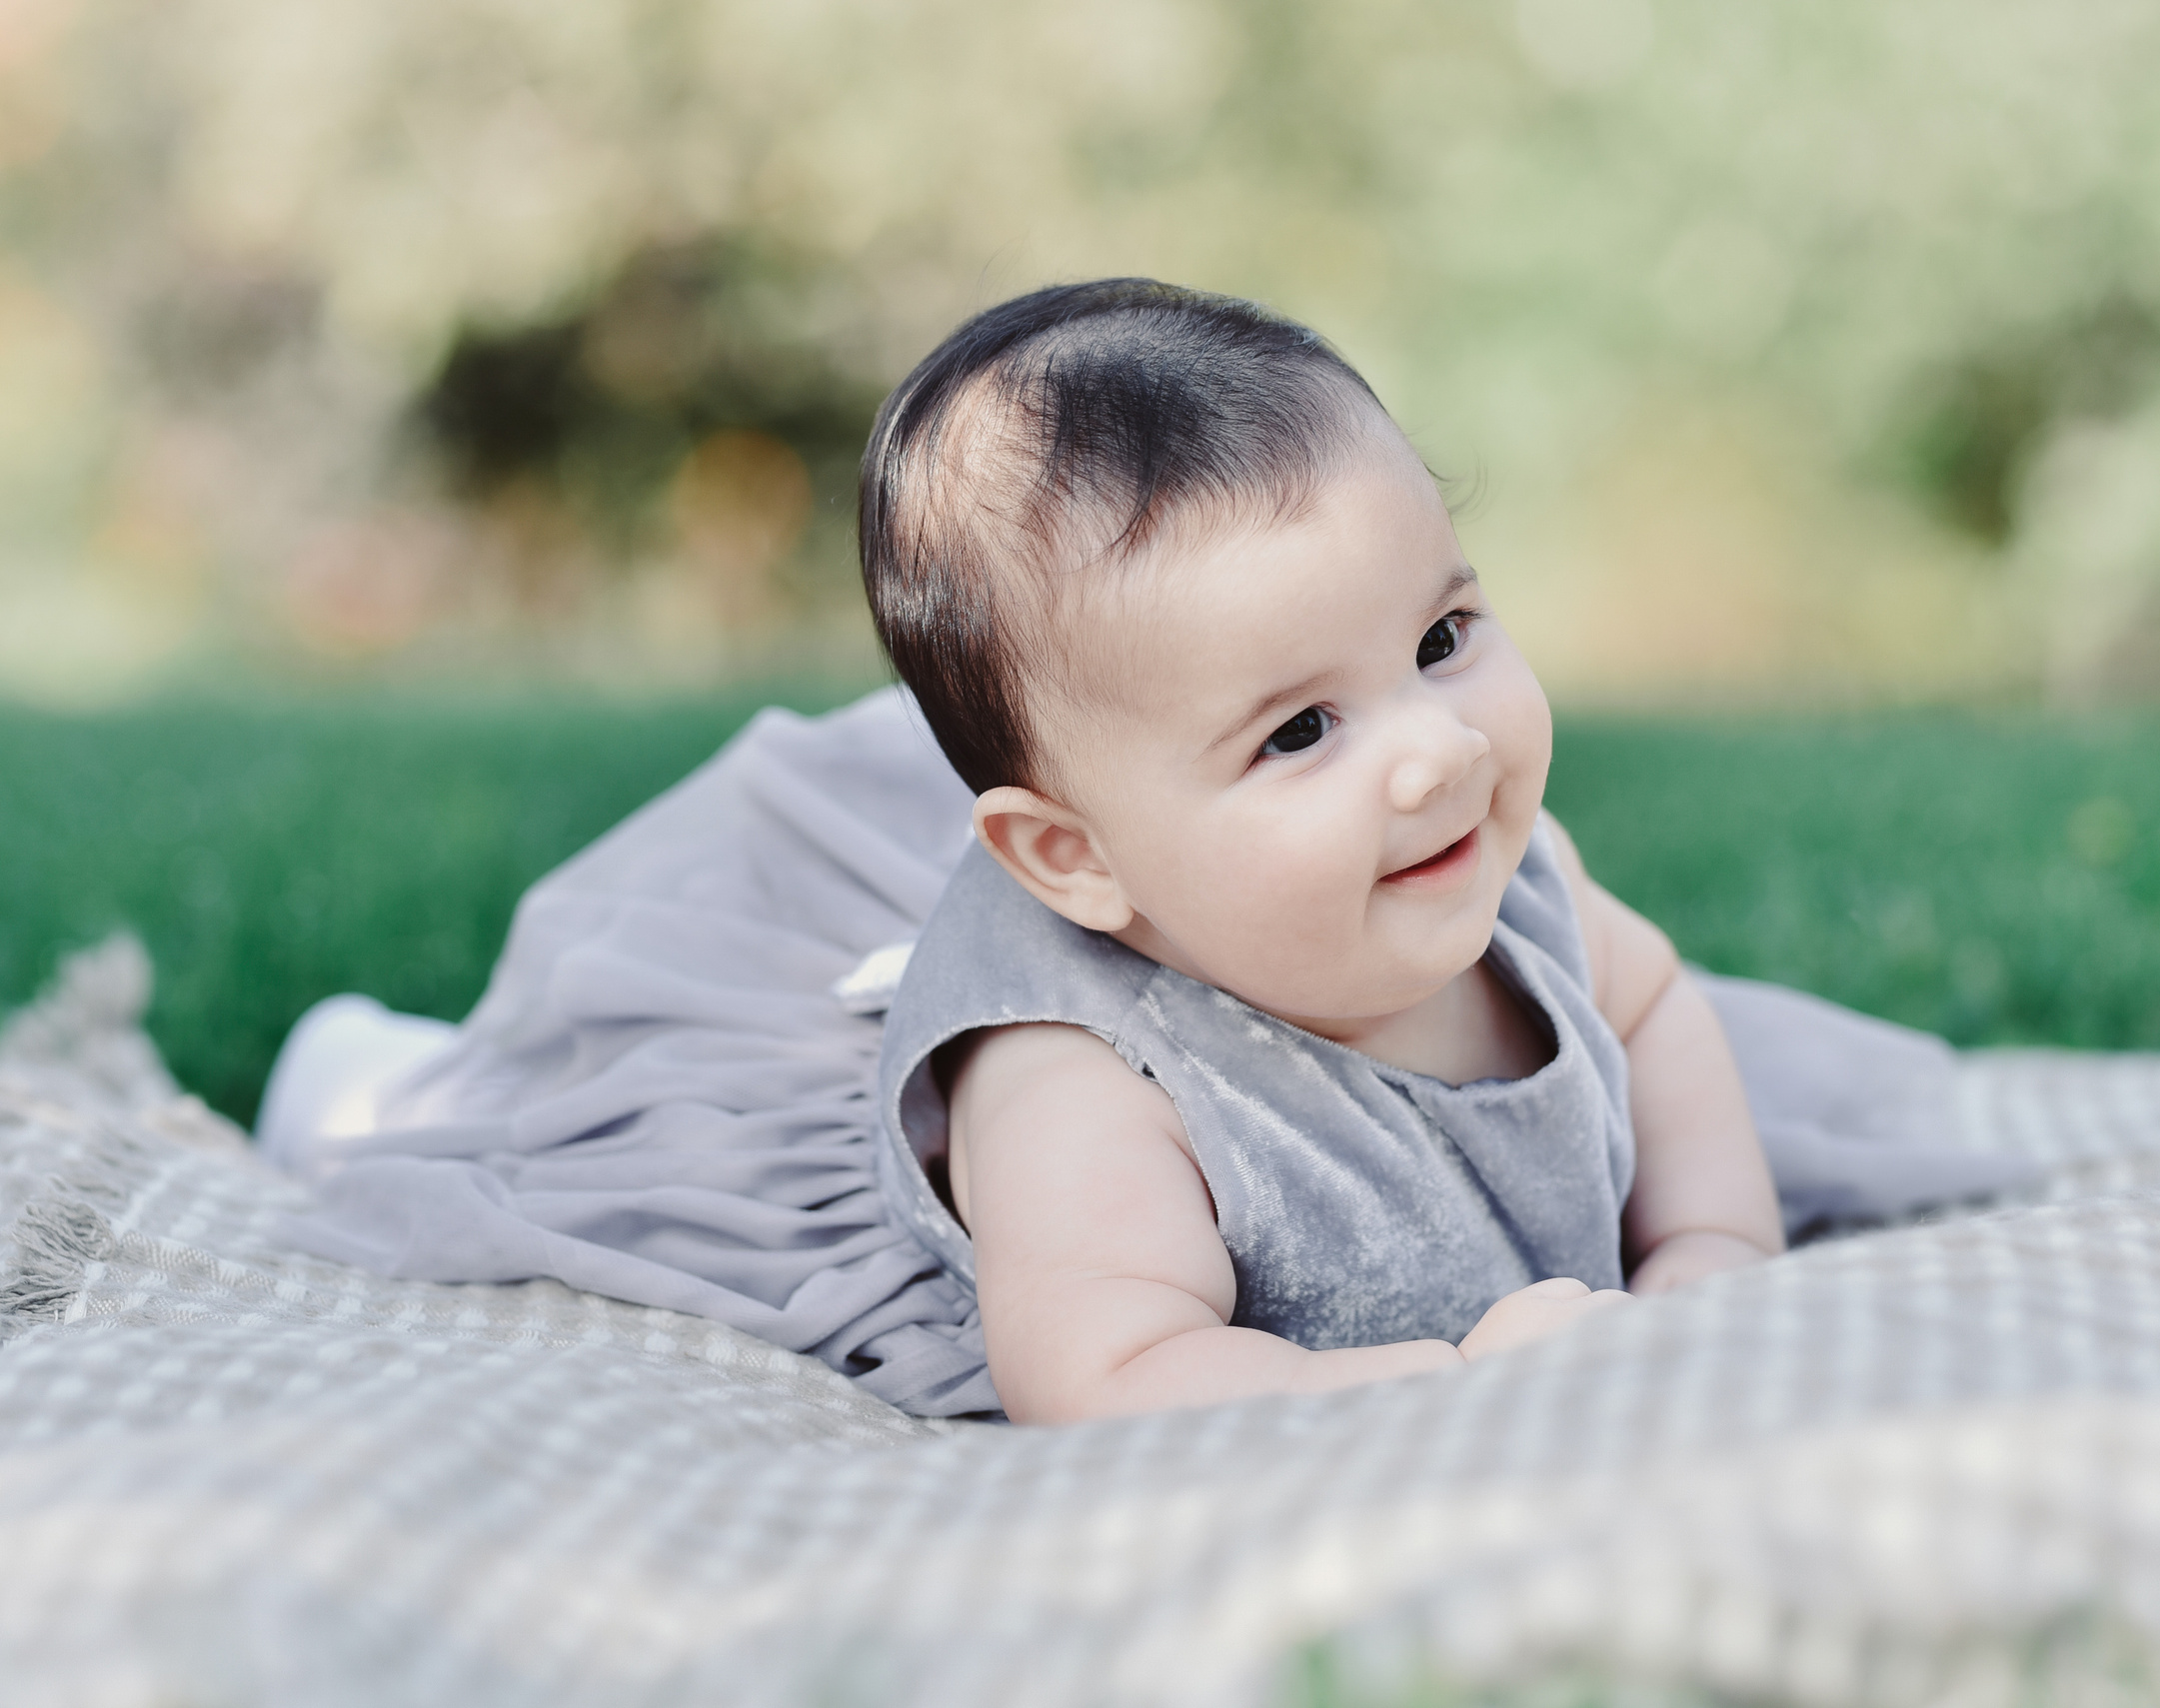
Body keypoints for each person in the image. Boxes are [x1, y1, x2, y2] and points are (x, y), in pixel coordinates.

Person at [267, 281, 2023, 1423]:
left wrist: (1708, 1249)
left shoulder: (1506, 855)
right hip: (835, 1125)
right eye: (1299, 730)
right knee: (551, 1144)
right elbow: (1108, 1373)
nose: (1435, 751)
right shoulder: (1082, 1082)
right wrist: (1448, 1382)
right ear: (1077, 858)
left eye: (1443, 637)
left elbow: (1648, 1011)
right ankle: (379, 1082)